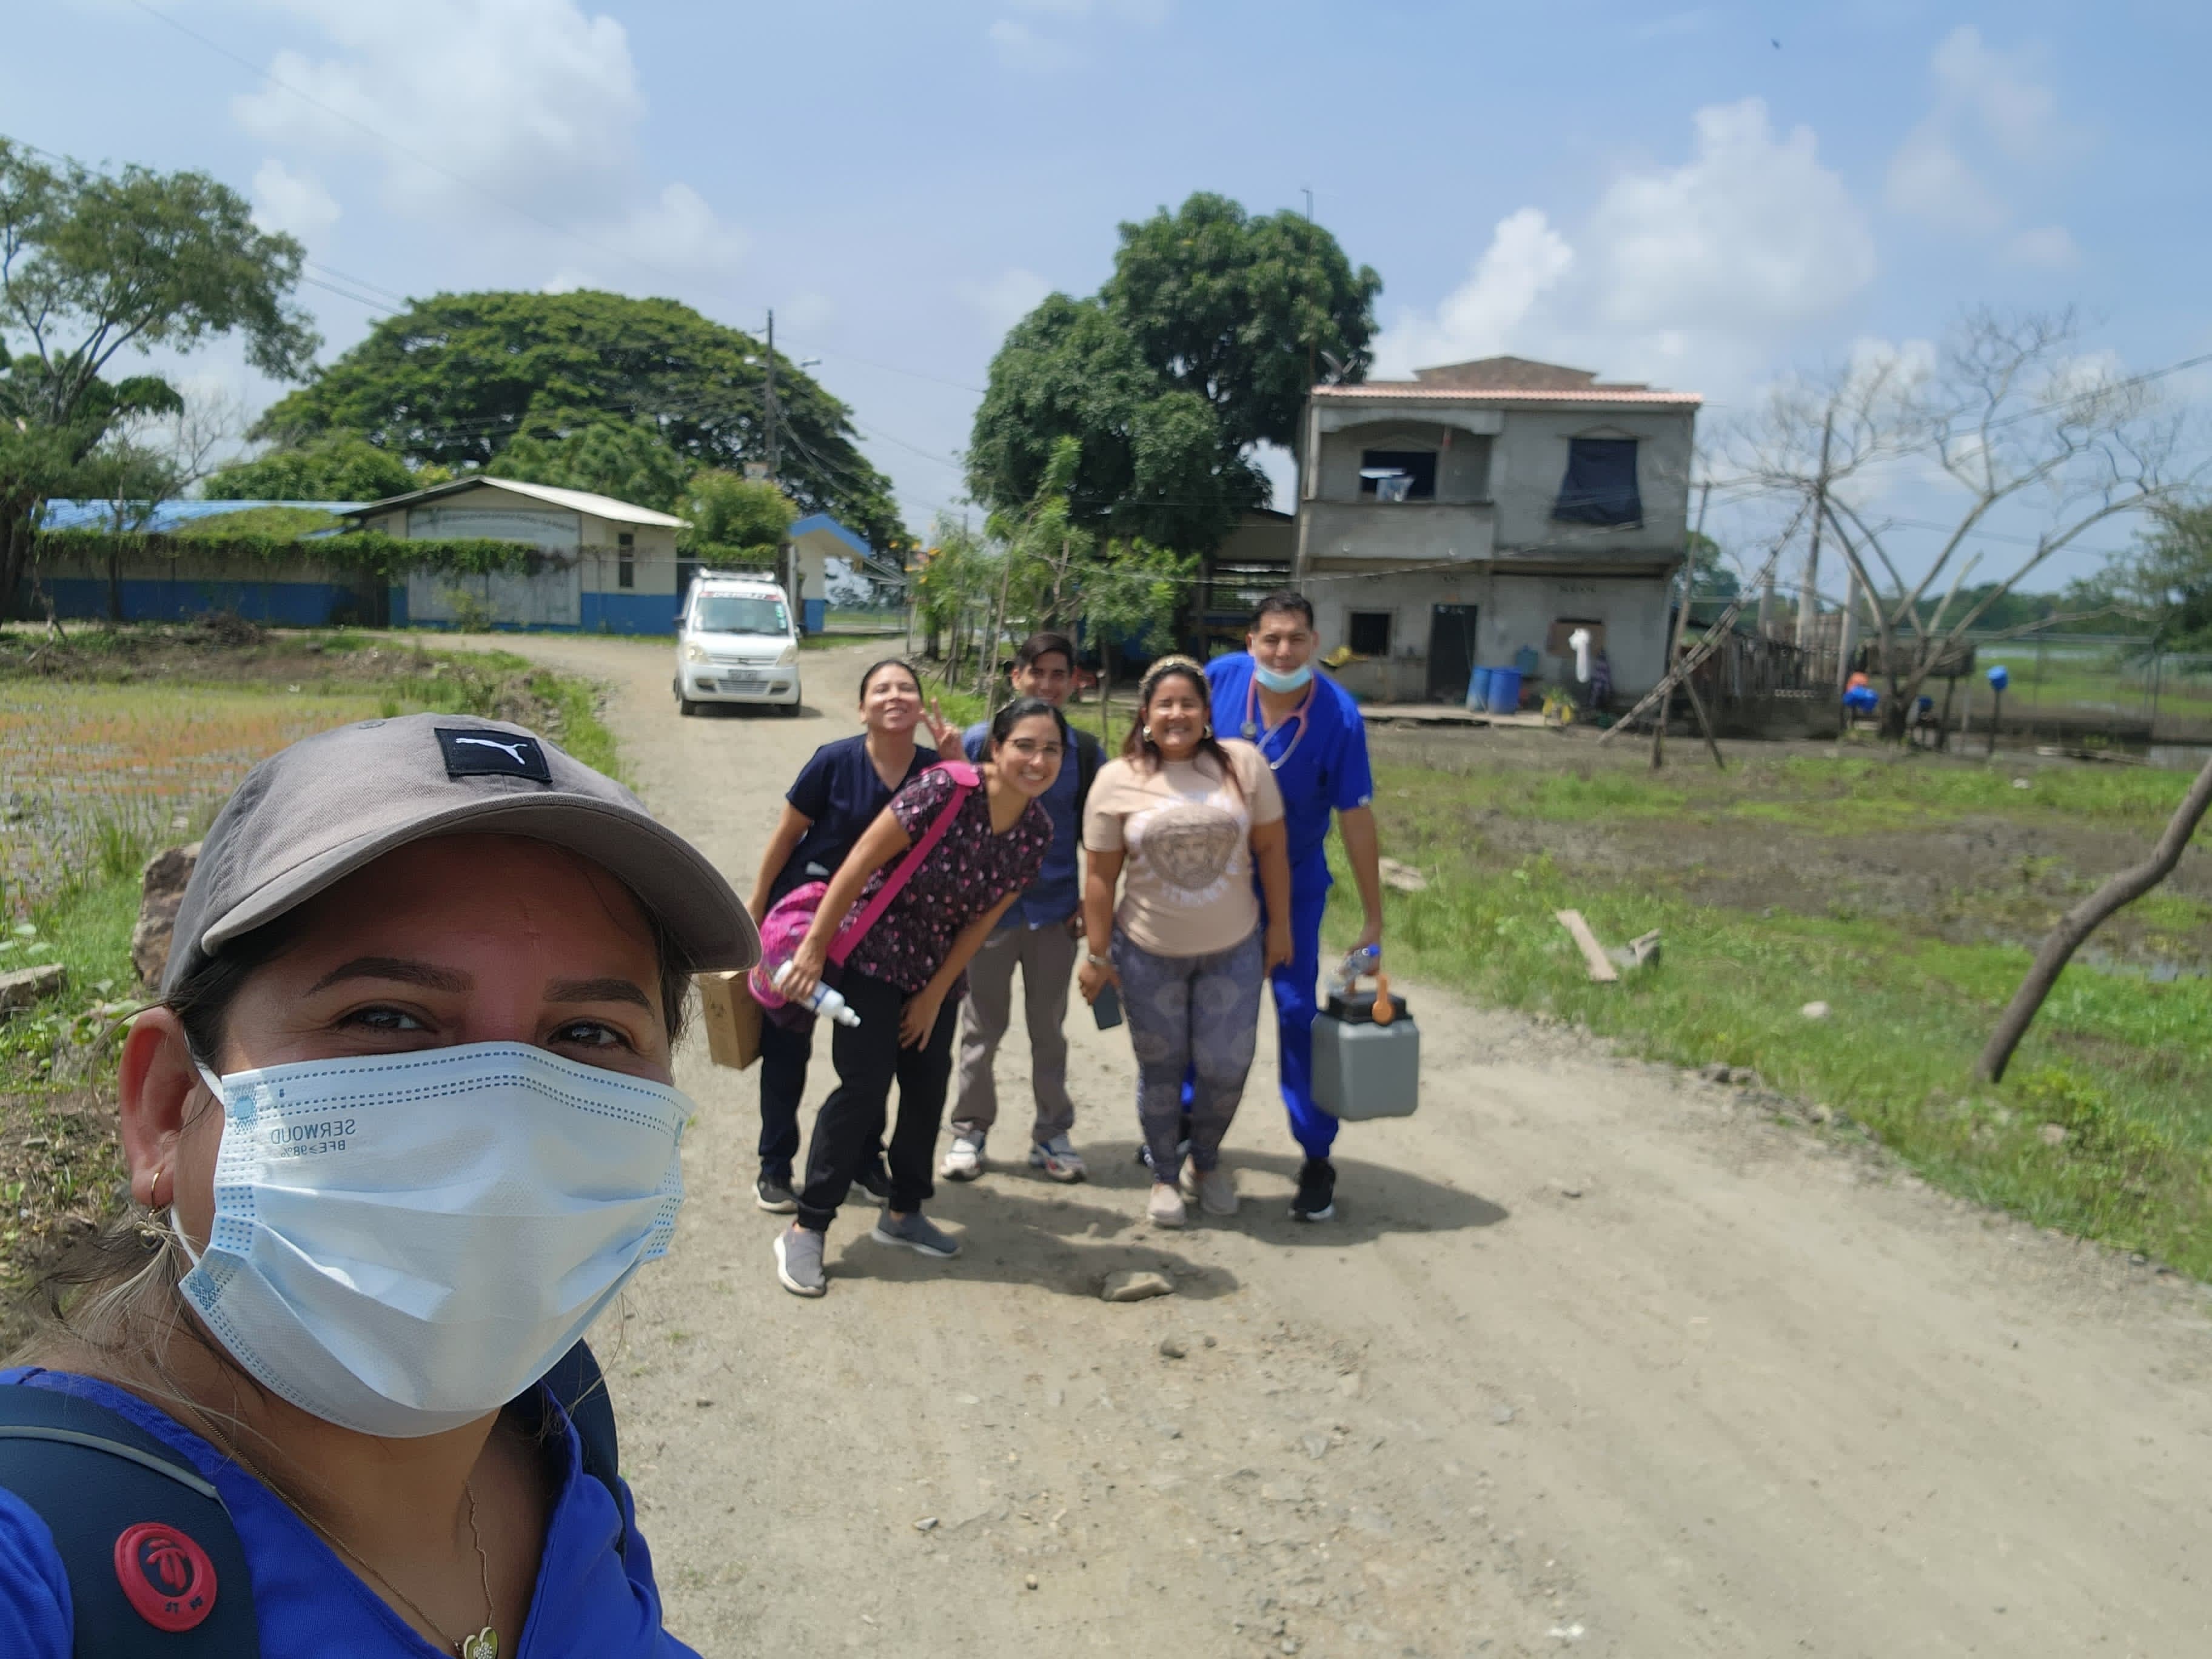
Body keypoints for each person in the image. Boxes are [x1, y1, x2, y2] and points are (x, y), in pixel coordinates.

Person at [0, 713, 759, 1658]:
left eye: (590, 1034)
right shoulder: (37, 1565)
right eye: (389, 1017)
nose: (502, 1132)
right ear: (166, 1106)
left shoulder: (557, 1415)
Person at [770, 698, 1062, 1298]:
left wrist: (935, 993)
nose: (1038, 760)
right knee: (864, 1086)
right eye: (1025, 746)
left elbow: (983, 922)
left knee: (927, 1088)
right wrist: (814, 949)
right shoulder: (946, 788)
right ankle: (808, 1225)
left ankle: (903, 1213)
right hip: (872, 955)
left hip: (936, 969)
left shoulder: (1037, 833)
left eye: (1051, 749)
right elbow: (860, 861)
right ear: (997, 748)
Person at [1078, 657, 1292, 1227]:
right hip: (1147, 952)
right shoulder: (1117, 779)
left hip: (1234, 947)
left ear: (1206, 713)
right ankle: (1165, 1176)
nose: (1177, 714)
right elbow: (1099, 877)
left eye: (1189, 703)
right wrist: (1097, 954)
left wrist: (1281, 928)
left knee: (1227, 1065)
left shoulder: (1243, 766)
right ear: (1146, 715)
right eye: (1165, 704)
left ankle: (1208, 1161)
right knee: (1162, 1068)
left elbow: (1272, 850)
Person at [745, 659, 955, 1213]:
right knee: (786, 1048)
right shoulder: (833, 762)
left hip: (880, 937)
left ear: (920, 706)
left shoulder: (937, 770)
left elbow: (964, 834)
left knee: (869, 1055)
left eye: (906, 688)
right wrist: (757, 904)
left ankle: (865, 1159)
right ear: (862, 708)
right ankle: (774, 1165)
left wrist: (959, 762)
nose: (895, 696)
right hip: (804, 923)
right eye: (881, 690)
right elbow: (787, 834)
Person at [1206, 592, 1386, 1222]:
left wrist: (1373, 918)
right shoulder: (1218, 682)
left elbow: (1356, 817)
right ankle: (1188, 1134)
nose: (1283, 651)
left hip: (1297, 884)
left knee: (1294, 1012)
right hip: (1215, 883)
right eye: (1272, 638)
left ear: (1315, 643)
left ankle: (1316, 1154)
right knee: (1209, 1011)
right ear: (1251, 643)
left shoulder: (1339, 716)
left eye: (1296, 639)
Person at [942, 631, 1104, 1184]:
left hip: (1054, 912)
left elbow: (1098, 835)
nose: (1048, 684)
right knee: (980, 1028)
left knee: (1049, 1030)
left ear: (1075, 682)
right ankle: (969, 1130)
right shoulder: (977, 741)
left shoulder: (1084, 751)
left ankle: (1052, 1135)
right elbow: (948, 820)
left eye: (1060, 674)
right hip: (985, 917)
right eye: (1037, 672)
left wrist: (1092, 905)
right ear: (1016, 677)